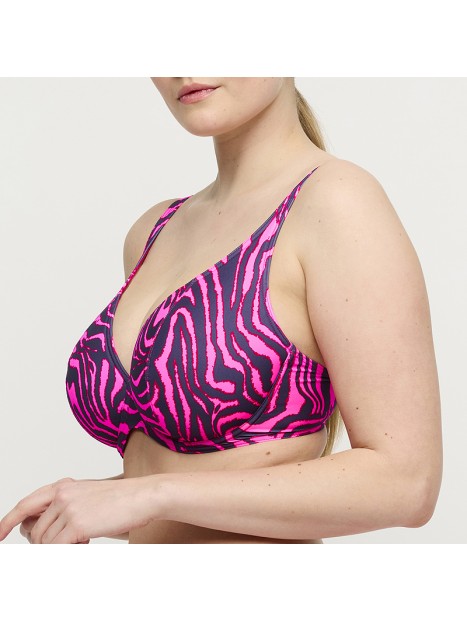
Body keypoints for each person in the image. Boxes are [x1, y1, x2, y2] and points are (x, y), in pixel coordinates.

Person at [0, 77, 442, 544]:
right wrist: (91, 501)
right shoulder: (155, 231)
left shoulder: (335, 201)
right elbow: (193, 482)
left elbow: (406, 483)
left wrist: (150, 495)